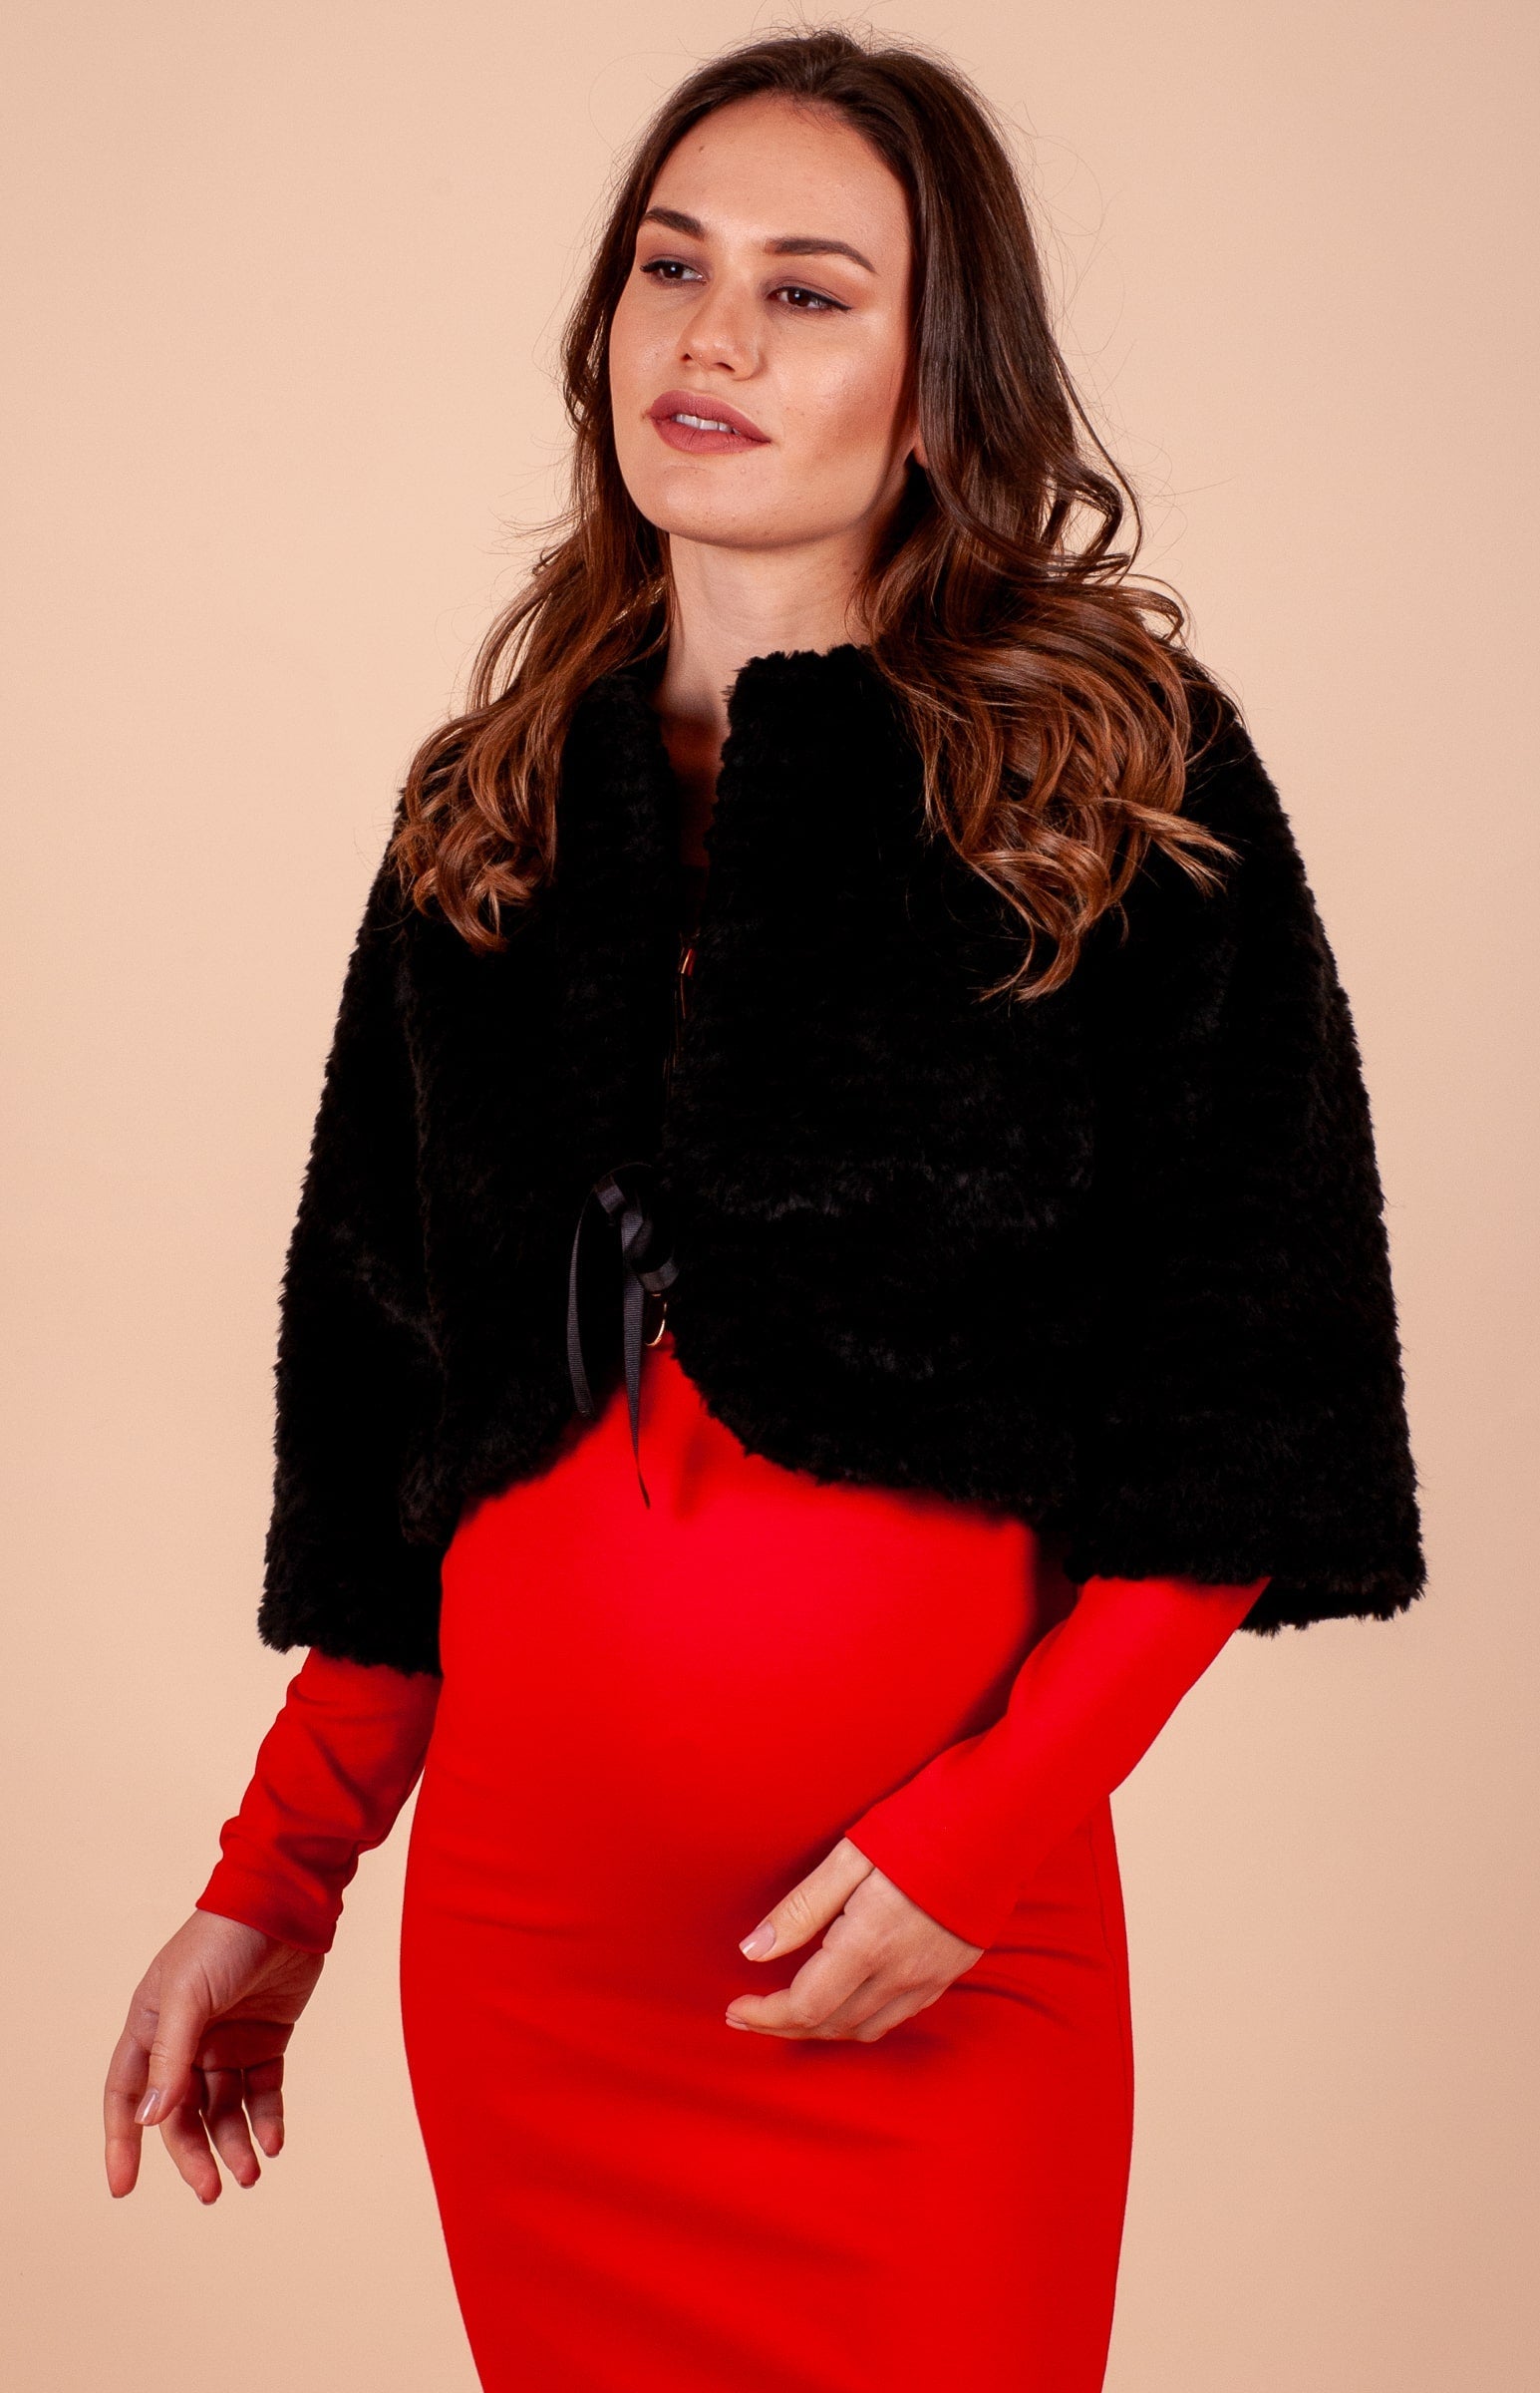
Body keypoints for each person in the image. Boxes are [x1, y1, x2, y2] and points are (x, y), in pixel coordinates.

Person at [102, 28, 1422, 2393]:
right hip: (536, 1991)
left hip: (928, 1967)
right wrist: (274, 1883)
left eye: (808, 290)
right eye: (669, 266)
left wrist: (984, 1841)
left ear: (938, 384)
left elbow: (1254, 1398)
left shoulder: (1119, 780)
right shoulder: (490, 813)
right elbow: (404, 1422)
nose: (711, 334)